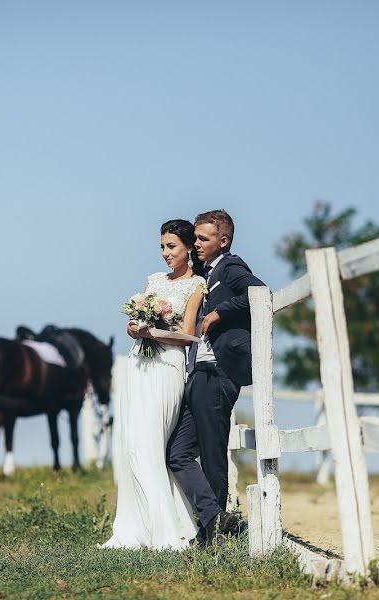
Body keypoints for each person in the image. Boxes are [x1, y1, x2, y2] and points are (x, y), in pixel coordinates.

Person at [101, 219, 207, 550]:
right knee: (133, 443)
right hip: (139, 363)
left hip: (167, 366)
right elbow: (139, 323)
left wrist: (156, 333)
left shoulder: (196, 286)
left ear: (188, 247)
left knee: (151, 443)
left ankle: (170, 530)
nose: (165, 253)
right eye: (162, 246)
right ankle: (136, 528)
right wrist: (135, 329)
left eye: (171, 246)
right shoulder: (154, 280)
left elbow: (189, 334)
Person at [167, 209, 265, 546]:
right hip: (198, 372)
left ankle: (213, 537)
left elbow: (258, 292)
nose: (196, 244)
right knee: (178, 452)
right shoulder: (202, 273)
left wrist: (219, 313)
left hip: (219, 372)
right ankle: (213, 520)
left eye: (203, 239)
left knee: (212, 452)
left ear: (223, 241)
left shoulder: (231, 267)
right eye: (195, 238)